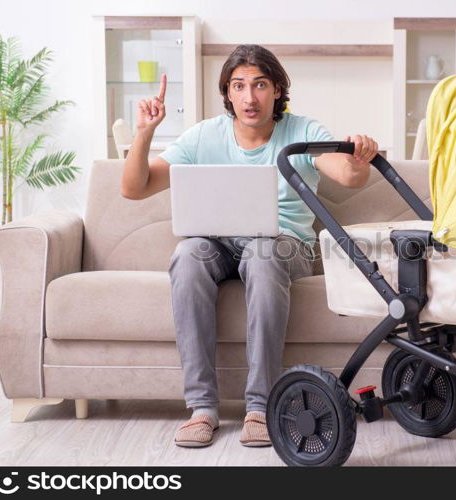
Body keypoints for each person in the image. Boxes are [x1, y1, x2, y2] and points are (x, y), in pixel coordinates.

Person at [120, 44, 378, 448]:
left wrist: (358, 158)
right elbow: (134, 188)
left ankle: (261, 406)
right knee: (187, 255)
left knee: (262, 253)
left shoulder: (304, 131)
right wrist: (144, 133)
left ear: (277, 89)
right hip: (218, 244)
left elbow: (347, 175)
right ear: (227, 92)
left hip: (283, 246)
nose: (249, 97)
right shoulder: (204, 135)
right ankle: (202, 408)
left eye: (259, 85)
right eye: (238, 86)